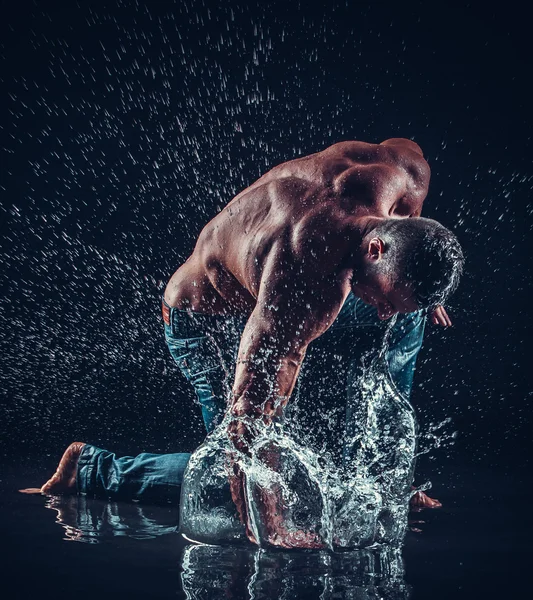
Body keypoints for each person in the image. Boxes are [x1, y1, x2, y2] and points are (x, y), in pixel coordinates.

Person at [25, 138, 463, 540]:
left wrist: (414, 285)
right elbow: (247, 424)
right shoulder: (302, 276)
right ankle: (94, 471)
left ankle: (383, 478)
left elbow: (410, 232)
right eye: (385, 299)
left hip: (294, 286)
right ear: (374, 250)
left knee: (409, 321)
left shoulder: (404, 170)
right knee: (230, 475)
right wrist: (273, 528)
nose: (383, 312)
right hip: (203, 322)